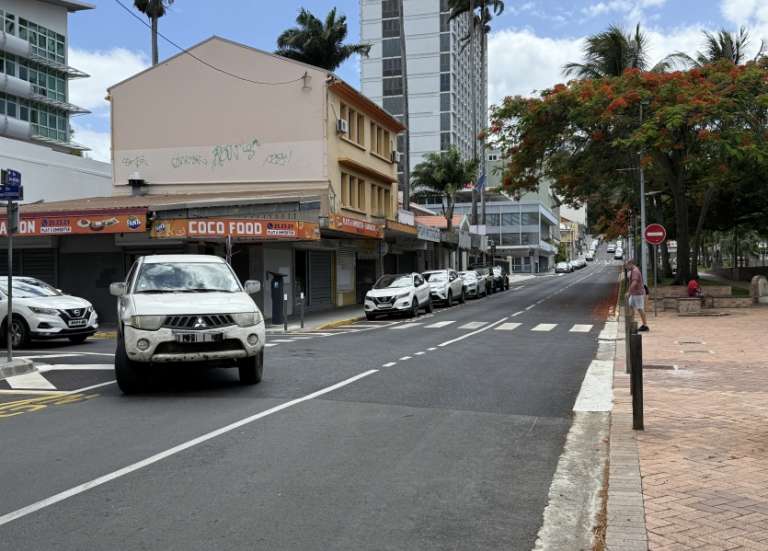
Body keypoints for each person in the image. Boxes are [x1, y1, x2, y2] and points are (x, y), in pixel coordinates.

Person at [625, 259, 649, 332]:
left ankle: (645, 325)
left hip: (638, 293)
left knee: (640, 309)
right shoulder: (632, 271)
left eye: (626, 265)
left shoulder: (635, 271)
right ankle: (632, 323)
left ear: (630, 264)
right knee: (630, 306)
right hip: (634, 293)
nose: (626, 267)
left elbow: (635, 282)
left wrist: (629, 291)